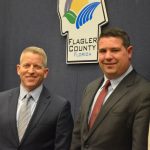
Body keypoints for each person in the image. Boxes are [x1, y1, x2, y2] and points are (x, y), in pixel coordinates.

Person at [70, 27, 150, 150]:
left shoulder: (144, 92)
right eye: (102, 51)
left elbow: (140, 145)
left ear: (129, 52)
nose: (108, 56)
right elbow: (77, 138)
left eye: (114, 50)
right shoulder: (90, 88)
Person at [0, 46, 73, 150]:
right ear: (18, 69)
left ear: (45, 72)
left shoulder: (60, 107)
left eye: (37, 67)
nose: (31, 71)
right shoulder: (1, 100)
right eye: (26, 65)